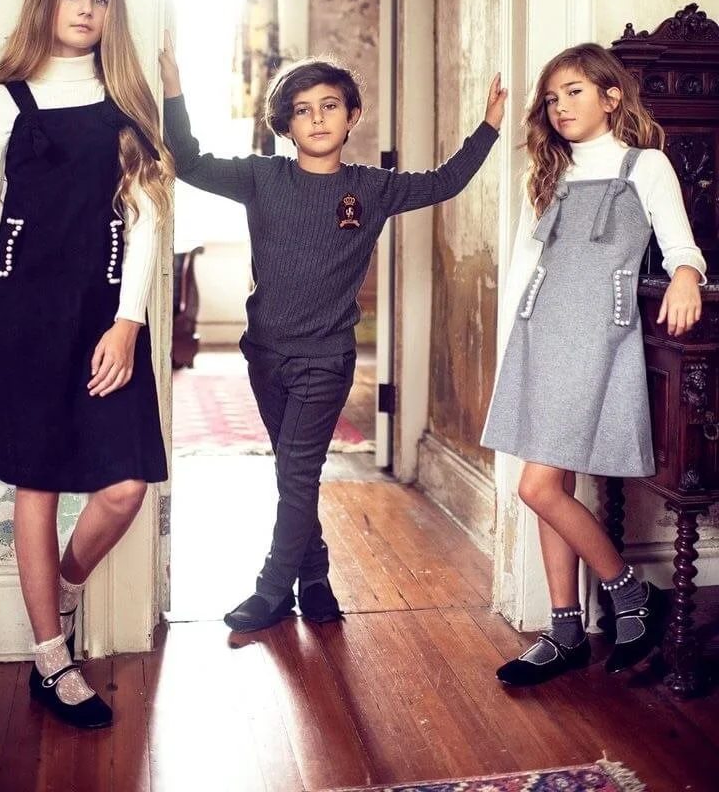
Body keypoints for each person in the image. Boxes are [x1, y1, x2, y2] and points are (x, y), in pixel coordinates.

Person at [159, 34, 506, 632]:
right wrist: (174, 88)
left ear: (352, 116)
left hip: (326, 358)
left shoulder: (372, 188)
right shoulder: (260, 178)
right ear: (286, 124)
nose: (317, 117)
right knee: (293, 471)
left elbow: (446, 181)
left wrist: (490, 126)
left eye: (329, 105)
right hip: (265, 353)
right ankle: (314, 577)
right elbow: (186, 160)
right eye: (302, 109)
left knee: (297, 470)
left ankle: (272, 590)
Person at [0, 0, 172, 728]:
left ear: (113, 13)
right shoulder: (5, 100)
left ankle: (66, 586)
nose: (85, 9)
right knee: (36, 484)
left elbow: (144, 222)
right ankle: (51, 656)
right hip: (20, 321)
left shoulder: (127, 105)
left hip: (102, 321)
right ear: (46, 1)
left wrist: (127, 321)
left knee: (124, 488)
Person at [481, 42, 705, 686]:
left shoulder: (646, 165)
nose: (559, 106)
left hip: (596, 336)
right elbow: (529, 262)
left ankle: (631, 591)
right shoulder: (549, 170)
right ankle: (566, 631)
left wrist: (686, 278)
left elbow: (679, 243)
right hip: (538, 332)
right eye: (551, 97)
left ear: (612, 96)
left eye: (574, 91)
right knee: (552, 487)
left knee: (538, 487)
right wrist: (512, 343)